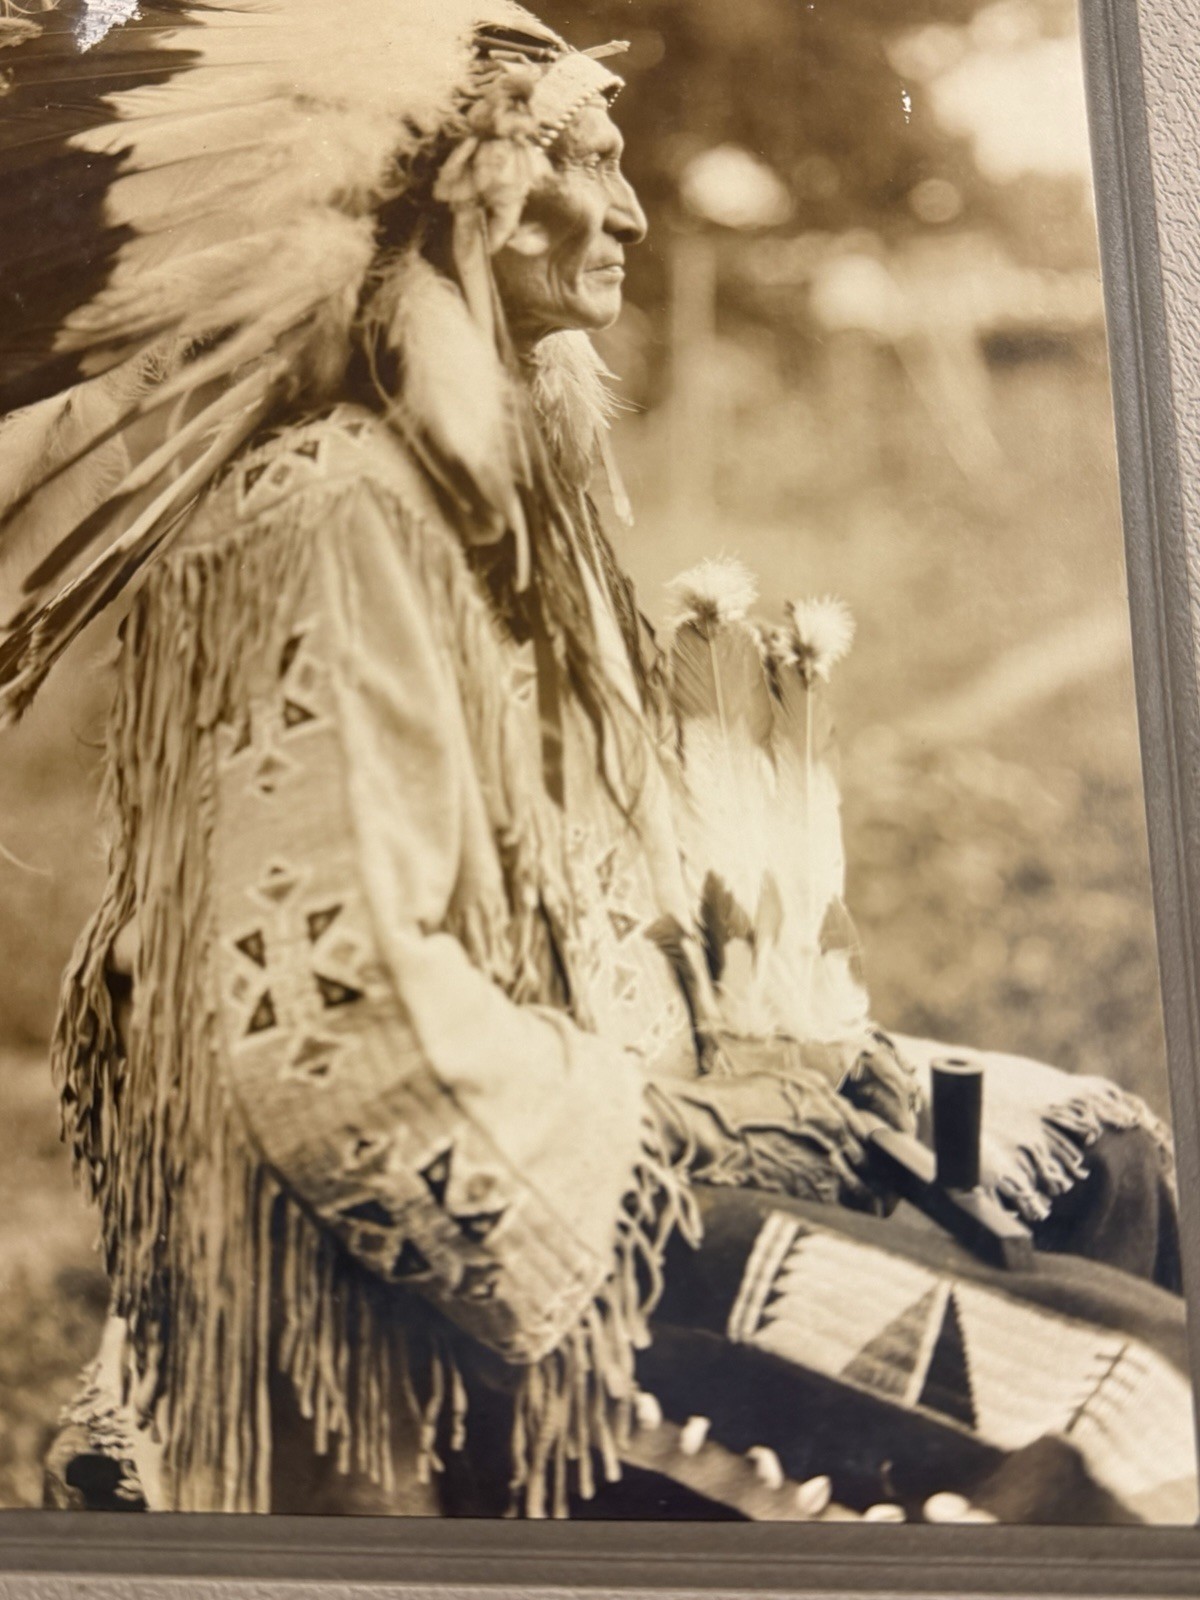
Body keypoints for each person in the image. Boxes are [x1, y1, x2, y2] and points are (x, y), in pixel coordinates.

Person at [0, 0, 1191, 1523]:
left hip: (559, 1154)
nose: (626, 207)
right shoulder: (330, 517)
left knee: (1095, 1162)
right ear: (447, 188)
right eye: (578, 155)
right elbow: (327, 1053)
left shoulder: (484, 502)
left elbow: (567, 933)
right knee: (1140, 1399)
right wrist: (692, 1132)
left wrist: (801, 1073)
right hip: (412, 1312)